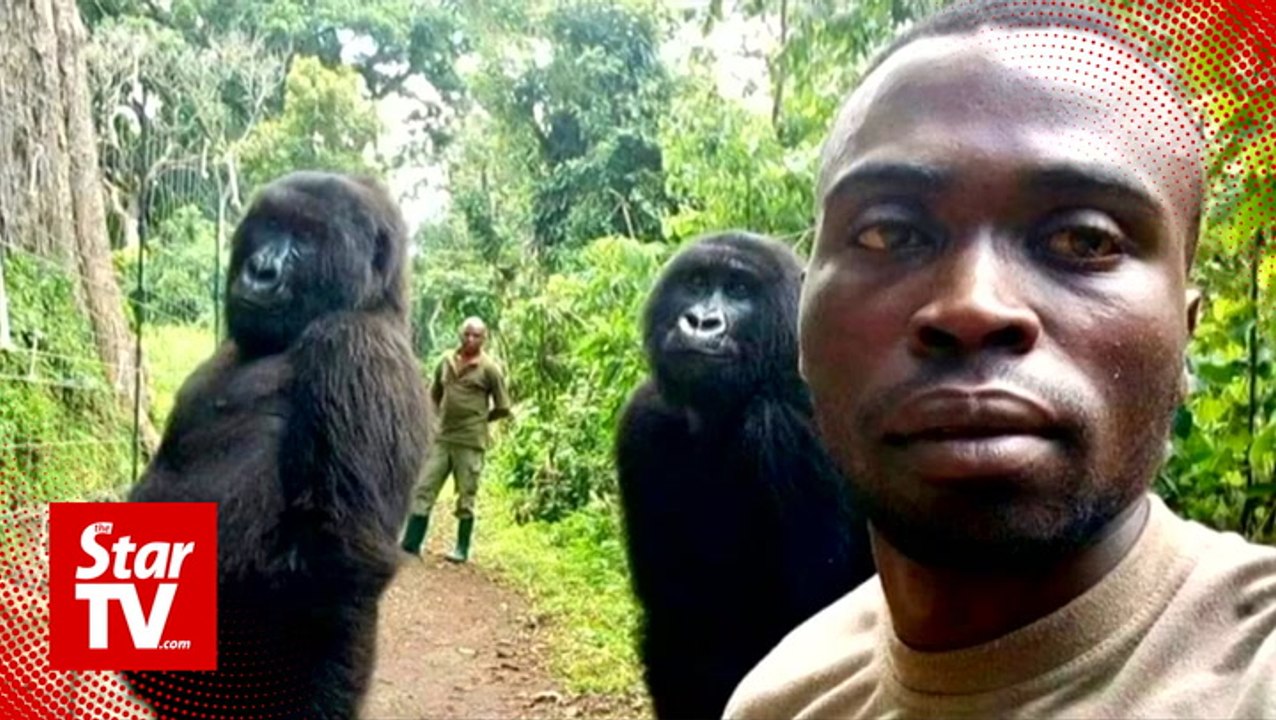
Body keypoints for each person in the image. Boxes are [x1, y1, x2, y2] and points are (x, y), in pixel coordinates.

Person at [724, 2, 1276, 718]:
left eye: (1084, 240)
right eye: (889, 233)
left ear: (1186, 335)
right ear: (803, 327)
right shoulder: (783, 700)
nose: (972, 305)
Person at [401, 317, 512, 563]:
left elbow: (503, 407)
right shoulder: (445, 361)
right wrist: (431, 423)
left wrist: (480, 420)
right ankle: (411, 543)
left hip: (470, 442)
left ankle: (461, 549)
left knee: (466, 494)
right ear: (460, 334)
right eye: (467, 334)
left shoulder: (489, 369)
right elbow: (433, 397)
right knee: (423, 488)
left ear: (485, 339)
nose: (471, 339)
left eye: (477, 336)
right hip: (442, 438)